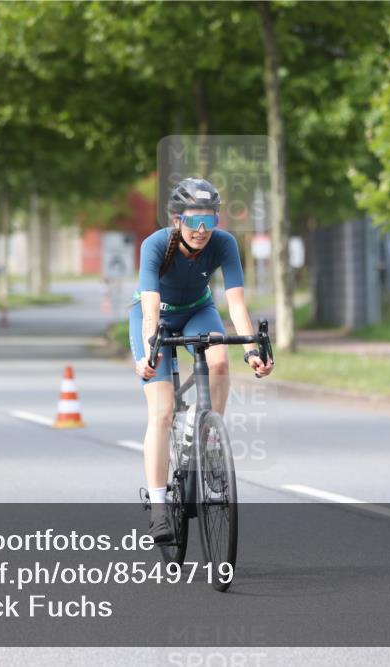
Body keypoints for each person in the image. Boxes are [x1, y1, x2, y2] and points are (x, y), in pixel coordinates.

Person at [128, 177, 273, 543]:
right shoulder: (155, 245)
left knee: (221, 361)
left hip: (197, 310)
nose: (202, 230)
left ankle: (206, 438)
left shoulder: (224, 244)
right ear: (177, 220)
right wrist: (149, 350)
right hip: (155, 316)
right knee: (161, 412)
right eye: (194, 221)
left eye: (210, 221)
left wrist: (252, 351)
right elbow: (148, 308)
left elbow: (236, 303)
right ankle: (160, 508)